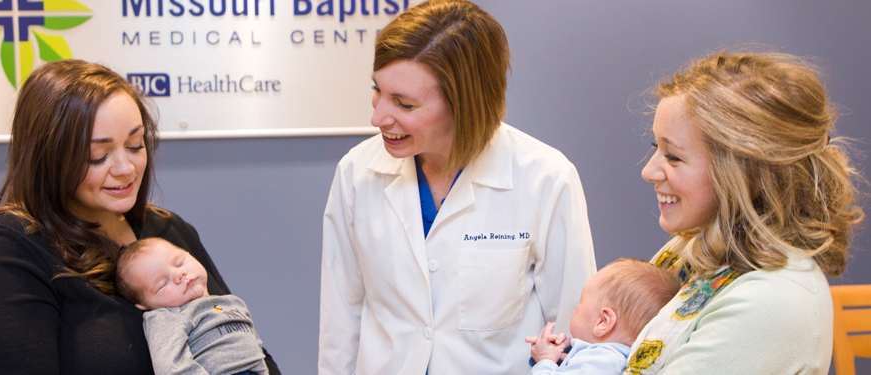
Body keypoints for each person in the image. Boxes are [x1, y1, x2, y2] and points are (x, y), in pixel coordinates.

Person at [0, 60, 280, 375]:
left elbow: (240, 340)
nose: (125, 169)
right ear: (50, 158)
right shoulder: (8, 253)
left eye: (135, 145)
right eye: (98, 155)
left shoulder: (166, 230)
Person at [318, 0, 596, 373]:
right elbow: (341, 324)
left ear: (465, 104)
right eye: (378, 91)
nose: (378, 117)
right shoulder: (357, 172)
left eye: (404, 103)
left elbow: (573, 333)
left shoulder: (545, 179)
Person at [630, 49, 863, 374]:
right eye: (657, 148)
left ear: (749, 173)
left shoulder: (772, 300)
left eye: (674, 157)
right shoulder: (695, 248)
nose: (649, 172)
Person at [115, 238, 268, 375]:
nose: (179, 274)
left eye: (179, 262)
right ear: (145, 305)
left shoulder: (232, 302)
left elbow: (256, 349)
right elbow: (170, 367)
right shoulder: (168, 317)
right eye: (163, 284)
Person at [525, 258, 682, 375]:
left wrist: (545, 359)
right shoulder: (610, 360)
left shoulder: (602, 360)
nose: (575, 310)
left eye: (581, 303)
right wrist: (557, 358)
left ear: (603, 322)